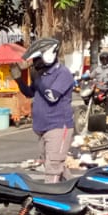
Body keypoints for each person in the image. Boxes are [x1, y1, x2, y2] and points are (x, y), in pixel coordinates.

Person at [17, 37, 74, 181]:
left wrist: (37, 80)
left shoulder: (63, 73)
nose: (34, 63)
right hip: (42, 128)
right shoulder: (42, 75)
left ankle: (50, 201)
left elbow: (52, 96)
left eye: (37, 59)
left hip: (58, 126)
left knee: (53, 167)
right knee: (55, 165)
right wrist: (18, 79)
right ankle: (76, 192)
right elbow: (30, 93)